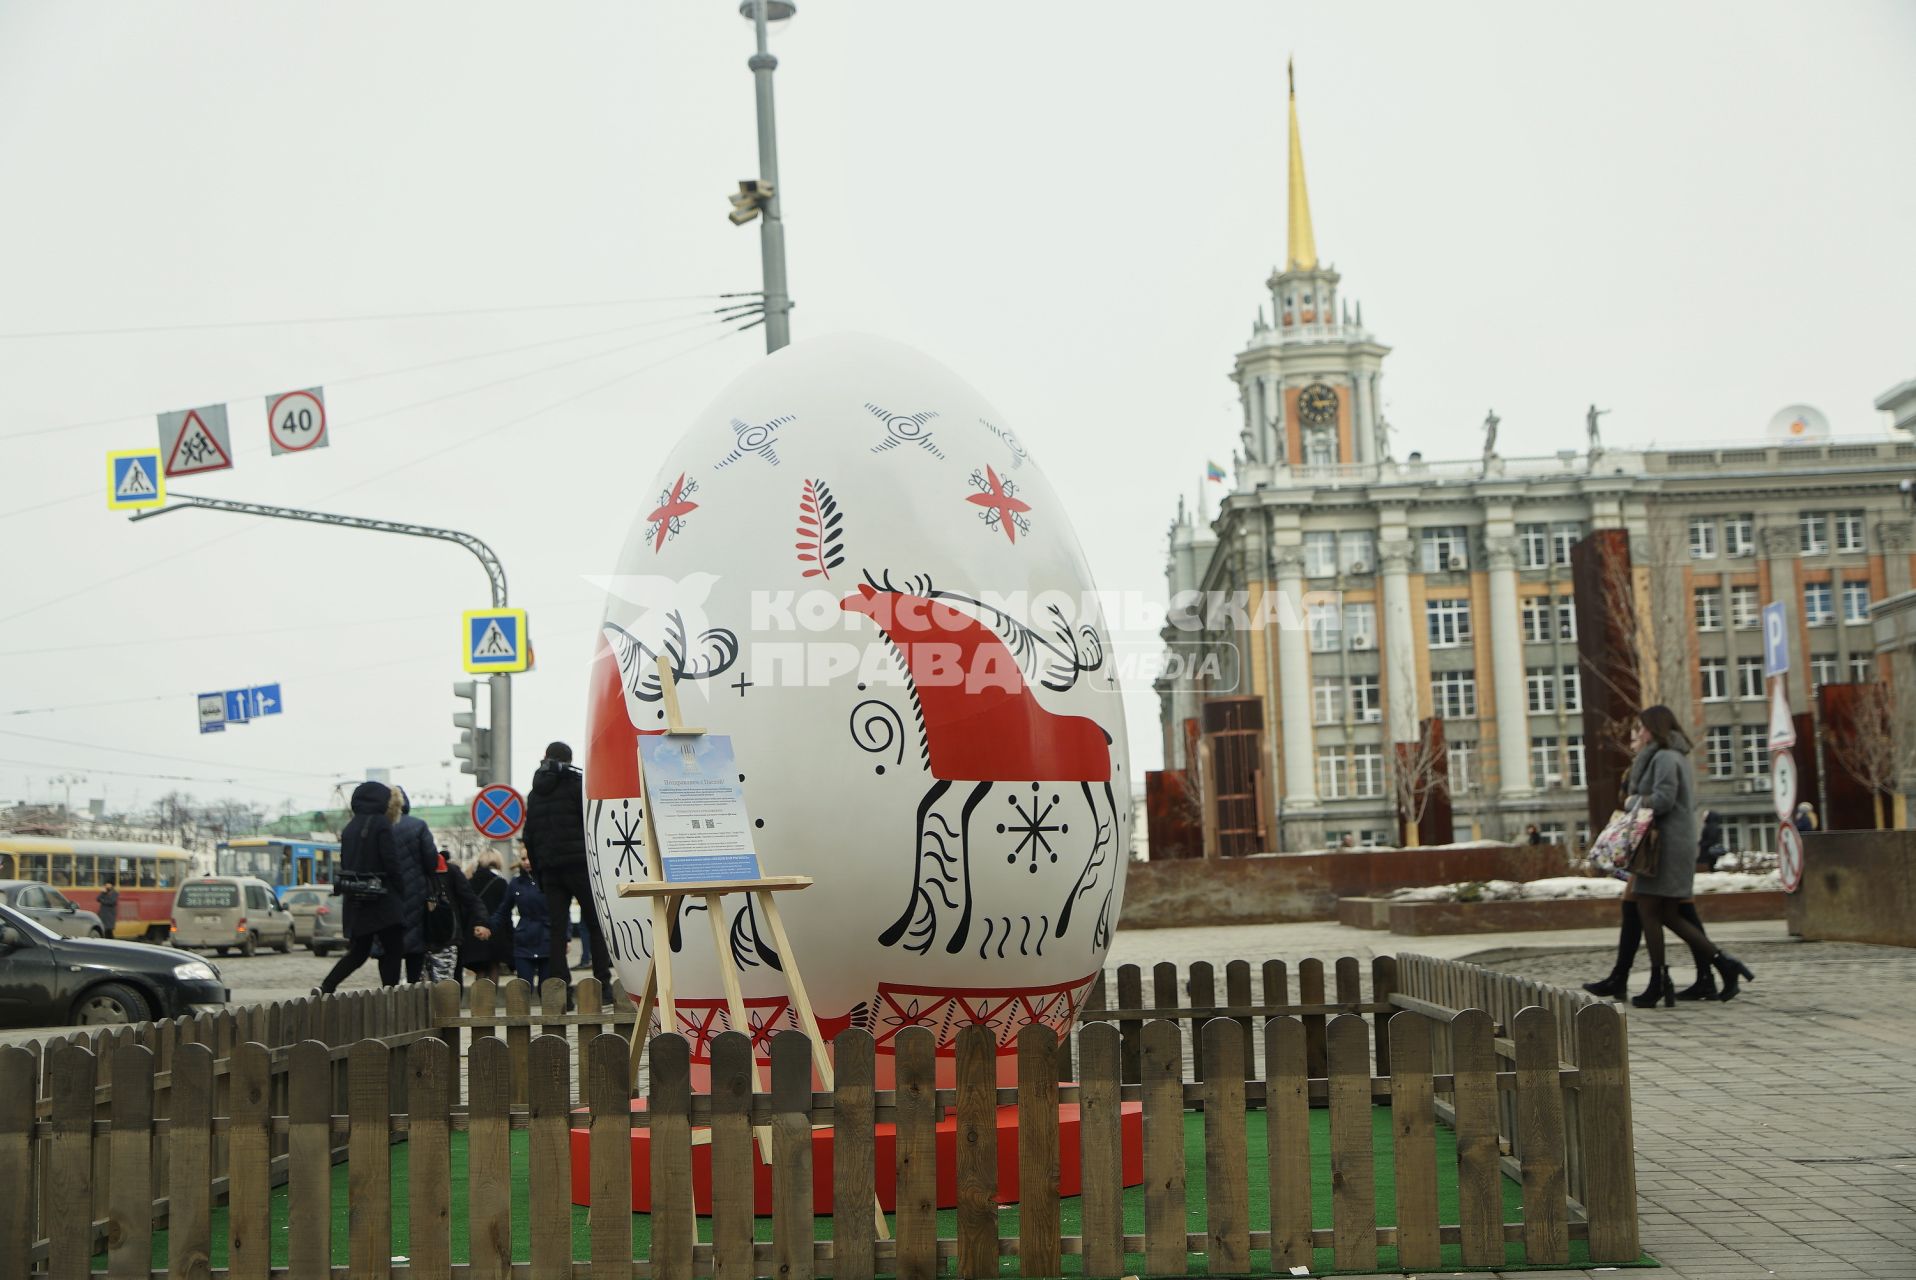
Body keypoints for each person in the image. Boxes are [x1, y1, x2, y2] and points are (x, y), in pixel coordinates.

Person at [1621, 706, 1754, 1007]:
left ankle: (1659, 981)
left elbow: (1664, 800)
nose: (1639, 733)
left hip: (1665, 848)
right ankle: (1723, 965)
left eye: (1641, 728)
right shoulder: (1670, 756)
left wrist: (1633, 801)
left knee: (1647, 908)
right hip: (1669, 845)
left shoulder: (1666, 757)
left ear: (1654, 728)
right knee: (1667, 913)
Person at [521, 741, 612, 989]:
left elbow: (529, 836)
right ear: (569, 760)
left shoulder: (535, 793)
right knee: (594, 923)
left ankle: (561, 988)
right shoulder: (576, 785)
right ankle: (603, 984)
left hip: (550, 871)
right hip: (579, 866)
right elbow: (591, 824)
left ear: (545, 757)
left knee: (557, 930)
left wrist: (539, 871)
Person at [316, 781, 413, 994]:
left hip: (357, 900)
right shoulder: (382, 824)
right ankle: (390, 994)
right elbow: (391, 862)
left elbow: (346, 862)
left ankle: (326, 986)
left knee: (358, 952)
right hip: (383, 899)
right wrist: (400, 891)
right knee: (393, 950)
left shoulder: (350, 826)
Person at [390, 787, 440, 983]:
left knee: (390, 952)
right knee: (415, 951)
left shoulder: (382, 826)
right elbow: (432, 861)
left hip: (389, 898)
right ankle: (413, 991)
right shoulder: (418, 826)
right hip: (417, 897)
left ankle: (390, 994)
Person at [422, 851, 491, 984]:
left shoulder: (449, 871)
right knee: (420, 993)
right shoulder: (412, 870)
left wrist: (481, 922)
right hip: (419, 941)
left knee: (448, 990)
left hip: (447, 938)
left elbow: (471, 899)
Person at [491, 852, 553, 987]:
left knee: (547, 988)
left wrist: (566, 937)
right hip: (524, 940)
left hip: (548, 938)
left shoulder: (550, 880)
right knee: (523, 988)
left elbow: (562, 911)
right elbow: (503, 910)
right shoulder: (516, 883)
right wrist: (488, 926)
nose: (527, 862)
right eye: (524, 859)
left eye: (530, 858)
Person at [464, 853, 513, 981]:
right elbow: (506, 911)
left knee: (480, 969)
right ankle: (492, 999)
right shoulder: (501, 882)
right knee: (493, 966)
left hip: (475, 929)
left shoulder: (470, 882)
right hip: (495, 930)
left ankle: (479, 999)